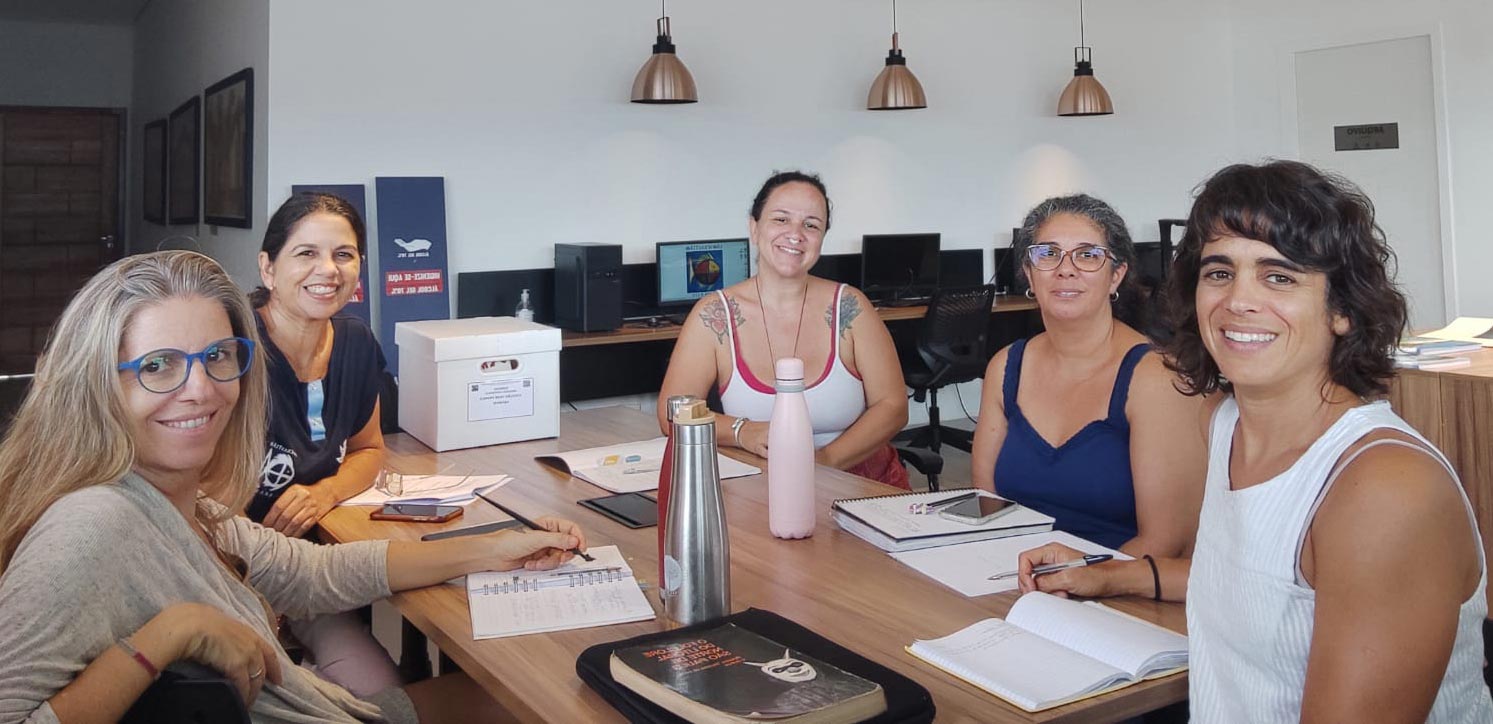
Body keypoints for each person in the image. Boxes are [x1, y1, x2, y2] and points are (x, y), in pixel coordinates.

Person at [0, 250, 589, 723]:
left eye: (217, 356)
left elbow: (313, 573)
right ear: (96, 384)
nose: (201, 390)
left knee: (528, 696)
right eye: (157, 366)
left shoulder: (183, 504)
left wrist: (497, 546)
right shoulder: (92, 525)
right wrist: (170, 635)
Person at [1017, 161, 1492, 722]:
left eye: (1279, 277)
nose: (1238, 301)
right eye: (1219, 273)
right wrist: (1103, 573)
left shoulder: (1384, 490)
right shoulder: (1224, 426)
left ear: (1342, 309)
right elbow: (1252, 580)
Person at [969, 194, 1206, 553]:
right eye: (1048, 254)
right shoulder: (1005, 367)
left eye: (1088, 255)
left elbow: (1165, 543)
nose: (1066, 268)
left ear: (1117, 276)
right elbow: (988, 505)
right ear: (1029, 273)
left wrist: (1076, 580)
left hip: (1122, 589)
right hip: (1013, 578)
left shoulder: (1155, 379)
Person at [656, 171, 910, 488]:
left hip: (858, 483)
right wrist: (742, 430)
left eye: (811, 224)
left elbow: (893, 407)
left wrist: (823, 462)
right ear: (754, 227)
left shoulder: (852, 309)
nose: (795, 234)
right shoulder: (714, 315)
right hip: (760, 484)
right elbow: (674, 414)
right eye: (781, 219)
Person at [247, 192, 399, 696]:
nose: (328, 269)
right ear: (268, 268)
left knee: (381, 694)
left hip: (310, 571)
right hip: (231, 570)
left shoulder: (356, 341)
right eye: (306, 253)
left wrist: (324, 493)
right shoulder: (231, 348)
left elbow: (368, 450)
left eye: (343, 254)